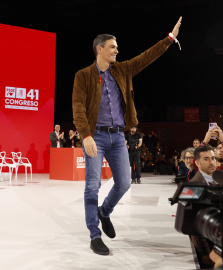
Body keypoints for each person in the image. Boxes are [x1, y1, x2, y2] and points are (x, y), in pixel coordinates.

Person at [72, 17, 183, 255]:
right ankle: (94, 235)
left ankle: (104, 212)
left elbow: (146, 56)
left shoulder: (122, 70)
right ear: (99, 49)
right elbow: (78, 107)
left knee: (123, 183)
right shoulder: (83, 75)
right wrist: (86, 135)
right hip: (96, 137)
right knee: (92, 186)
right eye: (112, 47)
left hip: (118, 138)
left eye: (117, 47)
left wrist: (170, 39)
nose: (117, 50)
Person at [190, 145, 219, 269]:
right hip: (208, 247)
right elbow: (194, 224)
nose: (212, 162)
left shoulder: (218, 179)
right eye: (206, 159)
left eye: (213, 158)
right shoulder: (194, 186)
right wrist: (204, 252)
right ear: (197, 163)